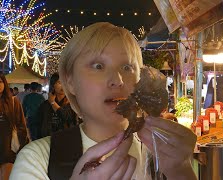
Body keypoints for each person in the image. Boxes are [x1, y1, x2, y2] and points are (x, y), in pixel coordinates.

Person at [10, 22, 197, 180]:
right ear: (70, 81)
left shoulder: (161, 152)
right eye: (98, 66)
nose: (118, 80)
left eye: (127, 67)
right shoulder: (38, 159)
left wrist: (181, 171)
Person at [0, 74, 29, 180]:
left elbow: (21, 124)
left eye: (0, 82)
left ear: (5, 84)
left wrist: (22, 145)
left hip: (8, 147)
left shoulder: (13, 101)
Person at [37, 73, 78, 138]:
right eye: (59, 83)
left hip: (67, 139)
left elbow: (67, 118)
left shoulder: (73, 103)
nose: (63, 86)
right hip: (48, 140)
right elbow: (39, 124)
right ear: (53, 85)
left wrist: (53, 103)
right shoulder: (45, 105)